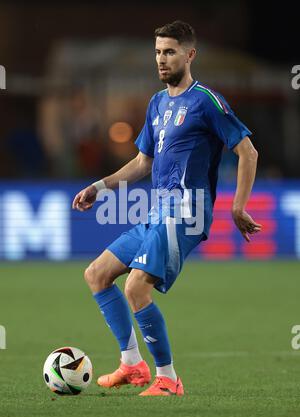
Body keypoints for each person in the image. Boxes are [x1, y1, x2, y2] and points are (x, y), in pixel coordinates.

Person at [72, 20, 262, 396]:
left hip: (188, 210)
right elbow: (143, 163)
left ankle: (169, 379)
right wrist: (99, 187)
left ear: (189, 55)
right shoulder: (157, 103)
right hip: (158, 210)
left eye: (170, 51)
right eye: (158, 52)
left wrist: (238, 206)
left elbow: (247, 151)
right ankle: (132, 364)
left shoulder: (206, 101)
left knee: (136, 286)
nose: (161, 59)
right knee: (97, 274)